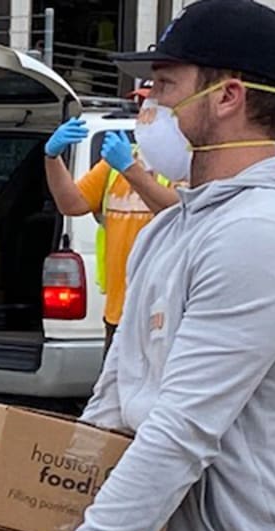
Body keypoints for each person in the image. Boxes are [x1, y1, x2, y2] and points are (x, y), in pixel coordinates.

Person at [35, 0, 275, 531]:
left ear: (227, 97)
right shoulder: (171, 231)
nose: (148, 107)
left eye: (164, 86)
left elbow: (179, 433)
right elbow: (112, 403)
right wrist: (43, 518)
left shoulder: (267, 234)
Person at [43, 90, 180, 357]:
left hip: (163, 315)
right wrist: (52, 157)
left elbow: (177, 212)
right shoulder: (116, 162)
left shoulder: (183, 165)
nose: (146, 115)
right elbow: (71, 204)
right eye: (143, 108)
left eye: (154, 108)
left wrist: (130, 169)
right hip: (118, 314)